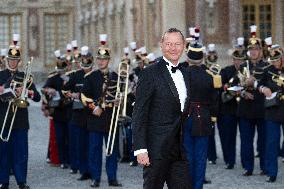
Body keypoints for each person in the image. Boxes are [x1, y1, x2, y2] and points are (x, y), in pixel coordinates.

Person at [132, 28, 191, 189]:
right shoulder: (149, 73)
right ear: (162, 46)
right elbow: (139, 113)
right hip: (155, 150)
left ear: (184, 46)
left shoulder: (186, 74)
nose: (173, 48)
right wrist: (140, 149)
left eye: (177, 44)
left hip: (178, 150)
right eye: (169, 44)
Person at [81, 34, 122, 187]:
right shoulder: (90, 77)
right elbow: (84, 97)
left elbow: (122, 93)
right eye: (99, 59)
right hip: (96, 118)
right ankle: (95, 178)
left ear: (108, 60)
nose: (101, 61)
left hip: (111, 117)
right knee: (95, 150)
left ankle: (112, 178)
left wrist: (120, 101)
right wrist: (94, 107)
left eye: (104, 59)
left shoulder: (116, 76)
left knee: (111, 150)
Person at [182, 29, 220, 189]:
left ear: (188, 57)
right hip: (204, 118)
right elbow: (215, 101)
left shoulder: (181, 75)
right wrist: (213, 118)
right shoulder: (211, 76)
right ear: (202, 57)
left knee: (187, 156)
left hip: (185, 118)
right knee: (201, 156)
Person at [0, 44, 41, 189]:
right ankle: (3, 181)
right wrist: (4, 90)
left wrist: (27, 92)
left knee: (21, 152)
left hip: (21, 120)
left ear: (19, 62)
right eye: (10, 59)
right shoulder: (0, 76)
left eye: (15, 60)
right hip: (3, 119)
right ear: (6, 60)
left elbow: (37, 97)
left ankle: (21, 181)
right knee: (3, 152)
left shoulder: (25, 76)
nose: (12, 62)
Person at [62, 46, 92, 181]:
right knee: (80, 144)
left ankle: (92, 170)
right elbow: (64, 90)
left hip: (92, 114)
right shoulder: (75, 76)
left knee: (92, 145)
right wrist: (72, 95)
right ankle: (83, 170)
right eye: (83, 59)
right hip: (78, 113)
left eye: (88, 59)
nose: (85, 61)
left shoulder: (96, 75)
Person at [218, 38, 245, 169]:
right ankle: (230, 160)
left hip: (245, 107)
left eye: (241, 59)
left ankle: (246, 161)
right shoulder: (226, 71)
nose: (238, 62)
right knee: (228, 136)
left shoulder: (248, 71)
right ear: (233, 60)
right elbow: (221, 87)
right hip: (229, 108)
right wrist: (229, 88)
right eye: (236, 59)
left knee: (246, 138)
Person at [258, 45, 284, 182]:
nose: (274, 62)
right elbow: (259, 84)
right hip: (272, 110)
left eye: (277, 60)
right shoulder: (267, 71)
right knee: (272, 143)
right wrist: (263, 89)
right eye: (272, 60)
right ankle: (272, 172)